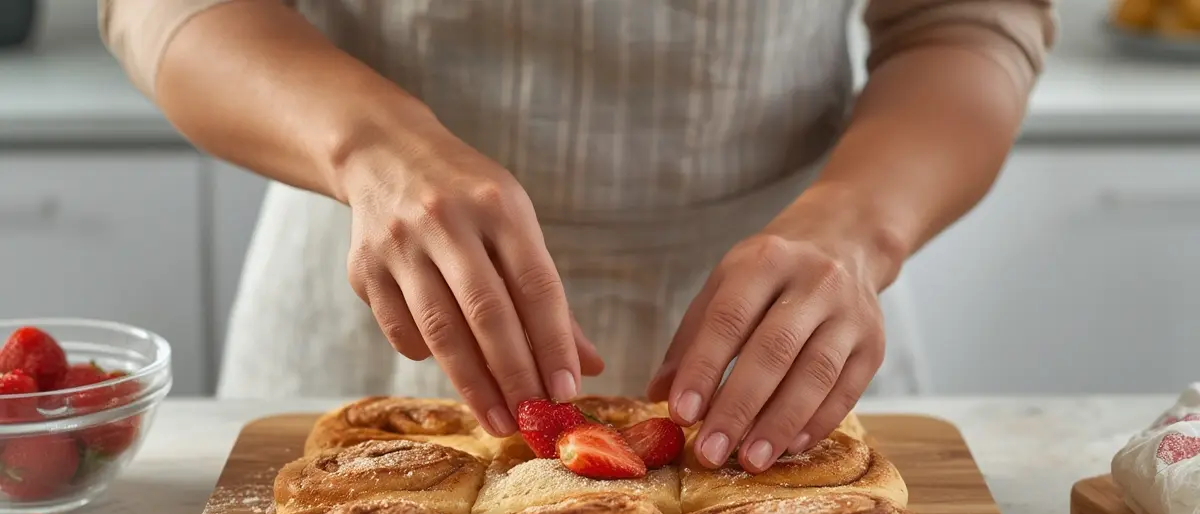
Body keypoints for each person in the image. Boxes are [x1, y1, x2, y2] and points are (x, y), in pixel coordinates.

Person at [101, 0, 1055, 474]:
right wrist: (369, 148)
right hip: (372, 292)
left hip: (795, 311)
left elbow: (965, 21)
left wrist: (856, 229)